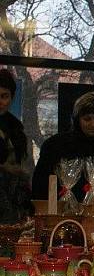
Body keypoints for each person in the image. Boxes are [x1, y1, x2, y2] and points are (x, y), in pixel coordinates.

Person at [0, 68, 32, 223]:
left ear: (12, 98)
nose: (0, 101)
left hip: (12, 201)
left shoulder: (16, 129)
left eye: (4, 96)